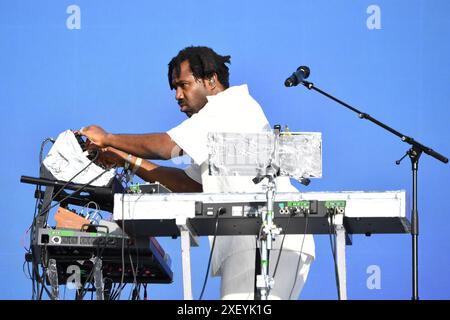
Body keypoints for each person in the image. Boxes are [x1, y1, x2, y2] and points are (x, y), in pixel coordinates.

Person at [80, 46, 315, 300]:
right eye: (174, 88)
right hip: (253, 240)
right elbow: (187, 184)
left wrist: (108, 138)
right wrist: (125, 159)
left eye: (184, 85)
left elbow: (167, 147)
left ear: (211, 80)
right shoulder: (216, 122)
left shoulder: (228, 105)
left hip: (269, 235)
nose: (178, 96)